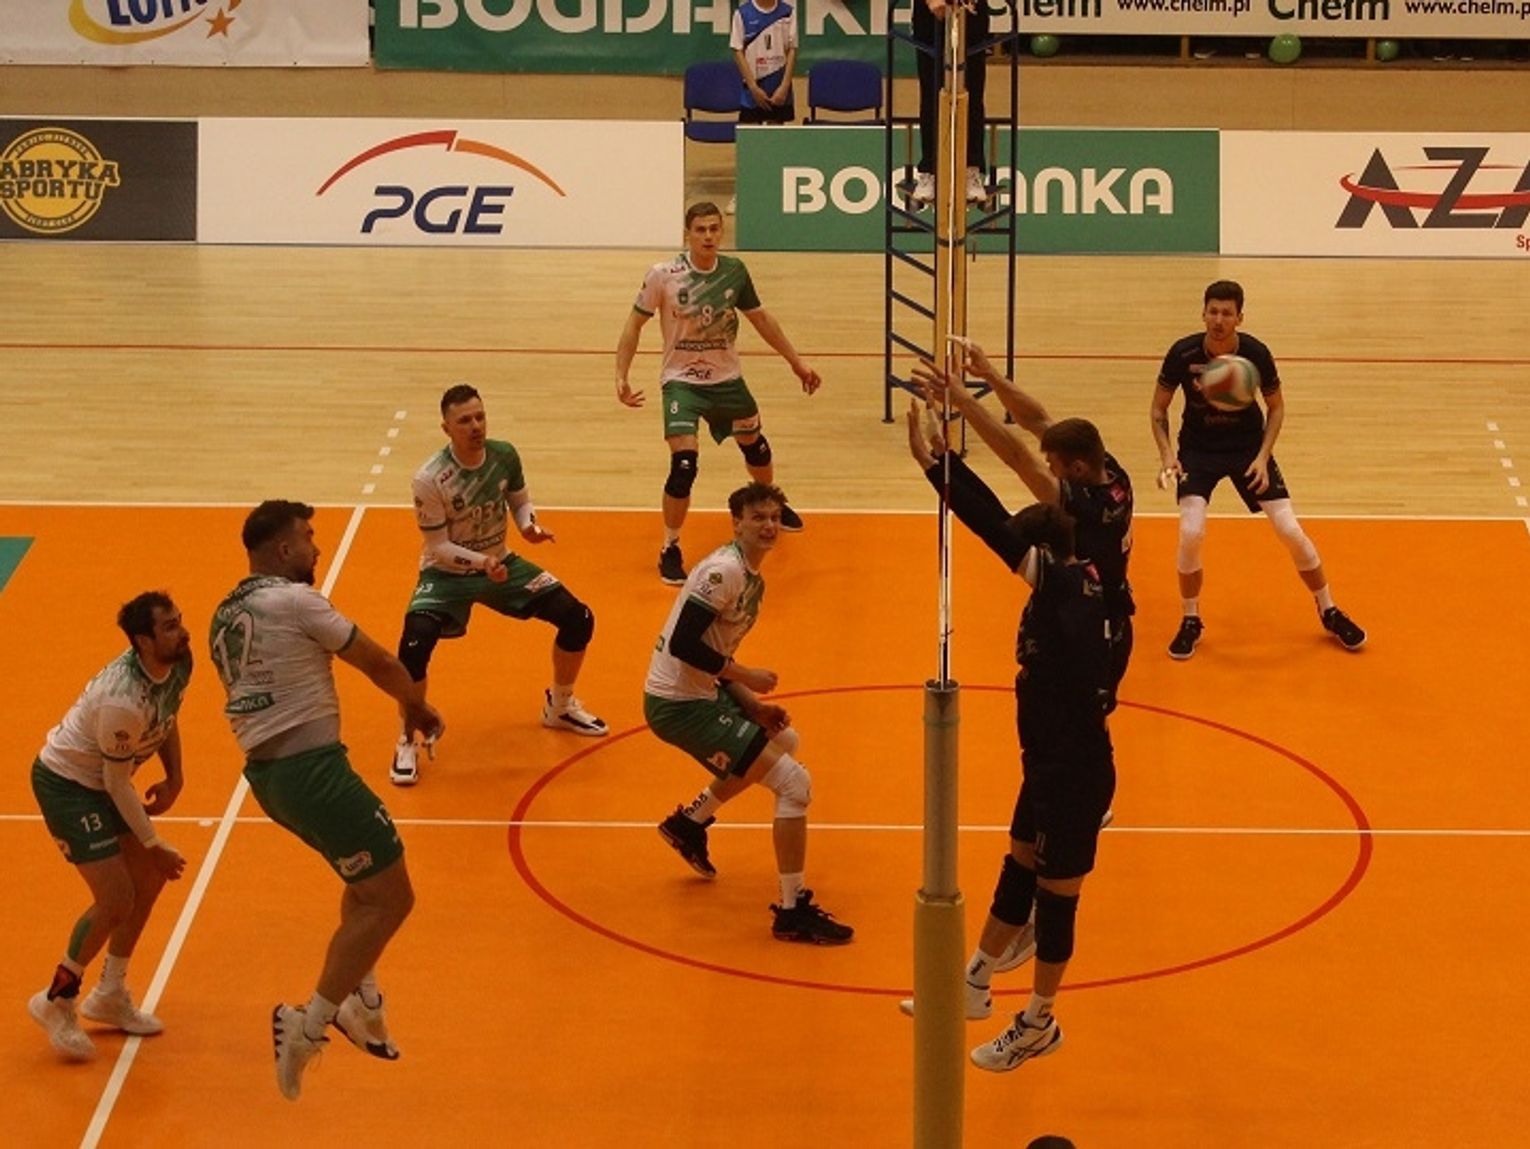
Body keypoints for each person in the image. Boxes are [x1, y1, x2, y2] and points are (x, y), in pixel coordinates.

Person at [210, 499, 444, 1100]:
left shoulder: (226, 613)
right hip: (312, 771)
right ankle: (309, 1024)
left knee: (363, 882)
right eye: (309, 538)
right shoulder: (296, 600)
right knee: (392, 899)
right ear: (284, 549)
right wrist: (417, 708)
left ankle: (365, 998)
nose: (317, 548)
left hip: (270, 780)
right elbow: (378, 660)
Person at [906, 402, 1116, 1072]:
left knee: (1056, 905)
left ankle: (1038, 1021)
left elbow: (991, 522)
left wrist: (938, 467)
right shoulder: (1077, 576)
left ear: (1041, 554)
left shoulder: (1064, 586)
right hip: (1050, 763)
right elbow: (1005, 519)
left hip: (1073, 773)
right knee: (1019, 862)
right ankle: (973, 981)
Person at [645, 482, 853, 945]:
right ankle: (792, 911)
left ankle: (689, 823)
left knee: (783, 743)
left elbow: (713, 649)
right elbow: (684, 644)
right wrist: (746, 676)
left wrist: (751, 704)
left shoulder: (749, 577)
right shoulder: (724, 573)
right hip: (679, 705)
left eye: (775, 517)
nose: (769, 526)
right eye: (758, 517)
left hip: (700, 694)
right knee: (794, 784)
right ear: (736, 523)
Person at [390, 383, 607, 787]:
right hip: (447, 574)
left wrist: (529, 527)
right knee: (414, 644)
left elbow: (520, 502)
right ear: (446, 428)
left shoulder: (504, 455)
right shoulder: (431, 478)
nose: (475, 426)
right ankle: (407, 737)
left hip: (501, 563)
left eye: (480, 417)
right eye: (464, 421)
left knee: (578, 618)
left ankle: (559, 706)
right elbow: (438, 547)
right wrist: (482, 562)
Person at [1150, 280, 1366, 659]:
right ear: (1203, 313)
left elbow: (1276, 408)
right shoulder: (1182, 353)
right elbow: (1157, 410)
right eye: (1213, 312)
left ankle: (1329, 609)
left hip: (1248, 449)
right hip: (1198, 451)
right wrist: (1168, 454)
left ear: (1240, 317)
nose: (1219, 320)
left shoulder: (1255, 354)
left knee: (1289, 530)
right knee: (1190, 532)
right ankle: (1191, 618)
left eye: (1227, 313)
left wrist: (1263, 457)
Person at [615, 203, 821, 585]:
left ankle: (769, 500)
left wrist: (796, 362)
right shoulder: (663, 275)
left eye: (714, 229)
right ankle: (670, 547)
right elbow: (633, 325)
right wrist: (621, 375)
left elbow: (761, 319)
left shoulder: (734, 271)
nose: (708, 236)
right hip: (682, 382)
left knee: (755, 447)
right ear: (687, 234)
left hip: (727, 379)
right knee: (684, 466)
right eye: (700, 230)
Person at [913, 340, 1135, 692]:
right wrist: (990, 376)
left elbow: (1018, 459)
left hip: (1095, 628)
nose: (1048, 468)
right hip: (1092, 609)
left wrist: (965, 402)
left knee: (1076, 714)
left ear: (1077, 469)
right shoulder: (1110, 471)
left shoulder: (1091, 508)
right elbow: (1037, 420)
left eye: (1053, 465)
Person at [26, 592, 192, 1061]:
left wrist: (175, 777)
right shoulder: (122, 702)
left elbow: (168, 715)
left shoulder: (179, 661)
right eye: (169, 627)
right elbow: (116, 782)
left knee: (149, 878)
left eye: (179, 621)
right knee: (116, 897)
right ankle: (56, 999)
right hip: (68, 786)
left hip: (104, 779)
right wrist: (153, 842)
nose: (182, 632)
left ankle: (110, 993)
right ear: (143, 641)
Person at [910, 0, 989, 208]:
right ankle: (930, 171)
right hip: (929, 14)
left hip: (971, 9)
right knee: (931, 94)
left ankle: (971, 170)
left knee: (972, 92)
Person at [725, 0, 798, 214]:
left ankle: (774, 193)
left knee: (775, 143)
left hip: (779, 87)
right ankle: (743, 192)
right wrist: (752, 86)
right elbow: (737, 50)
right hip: (753, 88)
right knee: (748, 143)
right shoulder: (743, 13)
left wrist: (784, 85)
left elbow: (792, 50)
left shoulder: (787, 12)